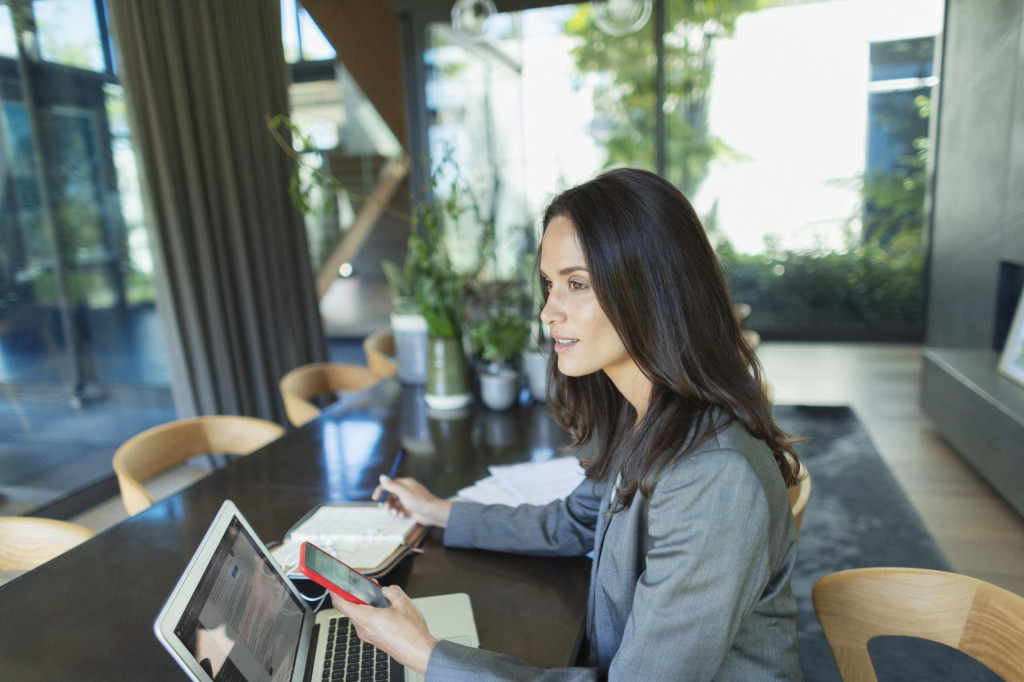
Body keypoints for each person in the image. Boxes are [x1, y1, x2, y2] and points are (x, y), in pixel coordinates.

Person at [332, 168, 804, 680]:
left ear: (650, 288)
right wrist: (440, 512)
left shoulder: (712, 477)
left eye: (576, 284)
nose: (548, 312)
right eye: (549, 285)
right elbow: (574, 522)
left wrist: (424, 653)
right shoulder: (641, 413)